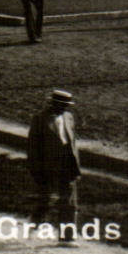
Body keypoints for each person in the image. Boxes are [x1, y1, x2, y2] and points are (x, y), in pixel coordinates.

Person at [27, 90, 81, 235]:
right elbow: (33, 147)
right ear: (53, 103)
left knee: (69, 203)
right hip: (48, 166)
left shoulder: (69, 117)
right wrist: (36, 170)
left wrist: (76, 167)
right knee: (46, 199)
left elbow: (73, 143)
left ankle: (67, 237)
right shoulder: (40, 119)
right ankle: (35, 223)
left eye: (66, 105)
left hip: (67, 165)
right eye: (61, 105)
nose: (64, 108)